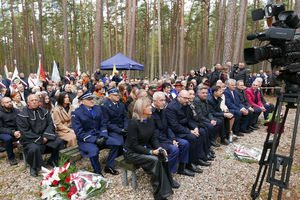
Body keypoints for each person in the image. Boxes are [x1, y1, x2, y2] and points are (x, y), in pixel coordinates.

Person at [123, 98, 178, 200]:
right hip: (131, 153)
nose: (150, 107)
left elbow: (154, 138)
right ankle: (159, 194)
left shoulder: (150, 119)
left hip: (143, 147)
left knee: (162, 155)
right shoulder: (133, 123)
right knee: (155, 160)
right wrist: (151, 152)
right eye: (148, 106)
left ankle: (168, 182)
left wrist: (159, 148)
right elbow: (134, 145)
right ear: (141, 109)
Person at [71, 90, 121, 176]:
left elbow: (103, 125)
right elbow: (79, 133)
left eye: (92, 99)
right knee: (94, 150)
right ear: (82, 101)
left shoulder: (97, 109)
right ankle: (97, 171)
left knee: (116, 143)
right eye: (89, 99)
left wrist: (103, 136)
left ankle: (109, 166)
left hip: (99, 135)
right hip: (86, 140)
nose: (91, 101)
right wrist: (95, 140)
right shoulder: (76, 113)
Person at [16, 94, 65, 176]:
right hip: (30, 139)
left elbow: (50, 124)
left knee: (59, 141)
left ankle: (53, 159)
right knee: (34, 148)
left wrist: (45, 137)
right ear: (28, 102)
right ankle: (33, 166)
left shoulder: (45, 112)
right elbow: (25, 132)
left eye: (36, 100)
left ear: (39, 101)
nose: (34, 102)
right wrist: (40, 139)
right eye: (32, 100)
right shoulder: (22, 115)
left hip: (45, 136)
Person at [152, 92, 194, 176]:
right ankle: (167, 175)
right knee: (174, 150)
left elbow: (167, 127)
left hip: (167, 138)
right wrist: (170, 141)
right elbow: (155, 134)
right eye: (161, 100)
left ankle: (181, 168)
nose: (164, 102)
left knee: (185, 143)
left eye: (164, 100)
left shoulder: (162, 111)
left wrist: (173, 139)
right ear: (154, 101)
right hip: (157, 140)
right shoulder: (150, 113)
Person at [165, 90, 204, 173]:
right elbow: (174, 126)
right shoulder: (171, 107)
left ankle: (198, 158)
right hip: (175, 132)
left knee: (200, 132)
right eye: (185, 98)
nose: (187, 100)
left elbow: (188, 120)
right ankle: (188, 164)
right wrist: (190, 131)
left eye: (188, 99)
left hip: (183, 129)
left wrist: (195, 127)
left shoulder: (185, 105)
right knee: (192, 137)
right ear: (178, 97)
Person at [187, 89, 215, 161]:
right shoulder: (187, 105)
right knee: (203, 130)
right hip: (189, 126)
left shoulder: (191, 104)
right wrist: (197, 126)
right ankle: (201, 155)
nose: (192, 96)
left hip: (194, 123)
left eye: (193, 94)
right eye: (190, 94)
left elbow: (196, 117)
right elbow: (189, 120)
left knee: (205, 128)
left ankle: (206, 151)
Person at [101, 88, 128, 156]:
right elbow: (107, 123)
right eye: (115, 95)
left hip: (122, 127)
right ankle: (119, 155)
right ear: (110, 96)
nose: (117, 96)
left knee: (133, 137)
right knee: (120, 142)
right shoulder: (105, 106)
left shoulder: (121, 104)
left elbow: (125, 117)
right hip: (113, 129)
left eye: (118, 95)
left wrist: (126, 127)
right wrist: (120, 130)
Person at [0, 97, 20, 165]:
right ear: (2, 104)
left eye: (10, 101)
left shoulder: (16, 111)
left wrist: (19, 131)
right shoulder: (0, 113)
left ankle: (23, 152)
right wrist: (12, 133)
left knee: (25, 133)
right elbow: (0, 128)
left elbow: (20, 122)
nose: (10, 103)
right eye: (7, 102)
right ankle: (11, 158)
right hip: (3, 131)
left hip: (15, 129)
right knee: (8, 138)